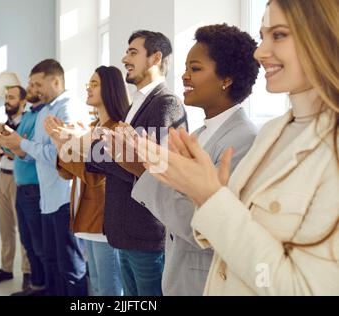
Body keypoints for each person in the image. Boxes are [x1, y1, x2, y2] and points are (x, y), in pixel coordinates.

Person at [132, 0, 339, 295]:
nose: (260, 52)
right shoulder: (273, 132)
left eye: (278, 35)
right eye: (263, 36)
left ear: (325, 36)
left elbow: (299, 288)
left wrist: (210, 197)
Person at [112, 23, 259, 295]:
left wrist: (144, 171)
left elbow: (204, 226)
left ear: (226, 78)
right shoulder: (201, 133)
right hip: (178, 274)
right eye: (187, 68)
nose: (184, 76)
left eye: (196, 68)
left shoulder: (242, 140)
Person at [85, 30, 188, 296]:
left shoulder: (166, 104)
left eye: (133, 52)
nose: (125, 58)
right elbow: (120, 157)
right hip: (125, 230)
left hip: (146, 232)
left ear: (155, 58)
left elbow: (148, 166)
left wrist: (99, 147)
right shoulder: (137, 104)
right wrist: (105, 149)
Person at [0, 59, 90, 296]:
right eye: (31, 84)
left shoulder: (68, 108)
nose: (33, 90)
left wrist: (23, 144)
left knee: (70, 266)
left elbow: (62, 156)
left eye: (38, 84)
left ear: (56, 81)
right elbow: (36, 151)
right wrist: (16, 146)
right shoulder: (44, 112)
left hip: (64, 197)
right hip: (47, 199)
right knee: (51, 261)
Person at [44, 66, 129, 296]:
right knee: (99, 287)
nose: (89, 88)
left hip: (103, 220)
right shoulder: (93, 128)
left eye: (95, 84)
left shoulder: (116, 129)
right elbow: (67, 172)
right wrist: (60, 142)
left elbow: (94, 175)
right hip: (87, 218)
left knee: (109, 289)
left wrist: (63, 143)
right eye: (88, 84)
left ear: (110, 89)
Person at [0, 86, 32, 290]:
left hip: (19, 179)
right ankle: (7, 268)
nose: (7, 101)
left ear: (23, 101)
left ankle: (29, 272)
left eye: (11, 97)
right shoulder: (4, 125)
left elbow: (18, 152)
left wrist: (2, 143)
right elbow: (0, 156)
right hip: (2, 177)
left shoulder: (28, 123)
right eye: (6, 98)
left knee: (23, 229)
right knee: (4, 227)